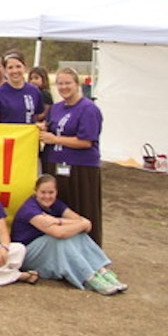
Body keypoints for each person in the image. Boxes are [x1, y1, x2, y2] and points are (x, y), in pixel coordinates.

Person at [11, 174, 126, 294]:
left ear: (56, 192)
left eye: (51, 192)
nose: (47, 196)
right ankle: (88, 277)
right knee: (58, 239)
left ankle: (102, 271)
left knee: (77, 234)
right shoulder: (30, 209)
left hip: (46, 249)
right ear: (36, 192)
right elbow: (59, 233)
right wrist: (83, 223)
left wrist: (58, 220)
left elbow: (81, 223)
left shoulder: (55, 204)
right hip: (27, 254)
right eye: (43, 192)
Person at [39, 68, 105, 245]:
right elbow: (51, 128)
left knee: (83, 208)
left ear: (77, 84)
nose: (64, 87)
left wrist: (55, 139)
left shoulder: (88, 109)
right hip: (55, 164)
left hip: (80, 167)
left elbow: (86, 141)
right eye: (60, 83)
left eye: (68, 83)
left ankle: (90, 248)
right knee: (60, 208)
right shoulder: (56, 108)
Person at [0, 51, 44, 125]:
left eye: (18, 66)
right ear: (5, 70)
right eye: (10, 67)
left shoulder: (34, 91)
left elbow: (36, 118)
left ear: (24, 67)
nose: (15, 71)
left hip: (27, 135)